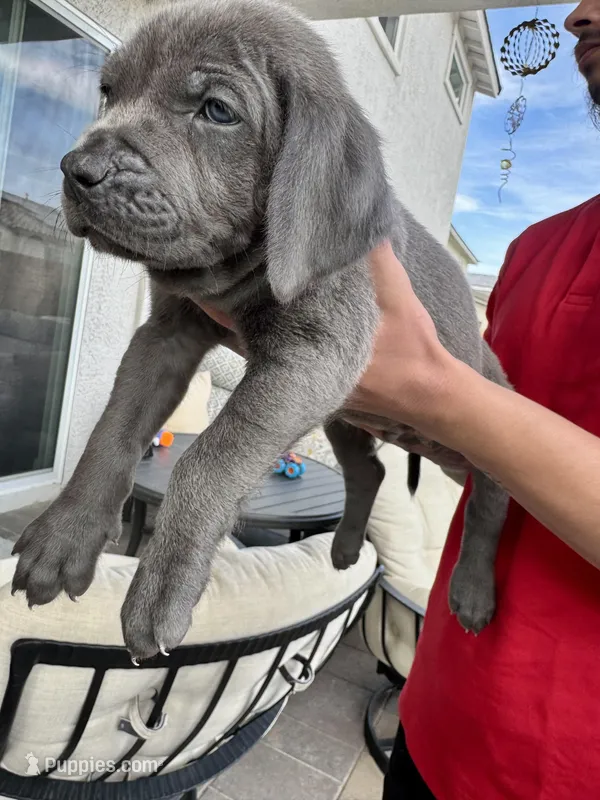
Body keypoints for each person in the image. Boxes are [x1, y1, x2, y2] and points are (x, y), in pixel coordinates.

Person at [201, 3, 600, 795]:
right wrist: (409, 416)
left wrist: (437, 393)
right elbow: (495, 463)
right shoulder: (536, 247)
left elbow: (460, 406)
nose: (577, 15)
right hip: (439, 720)